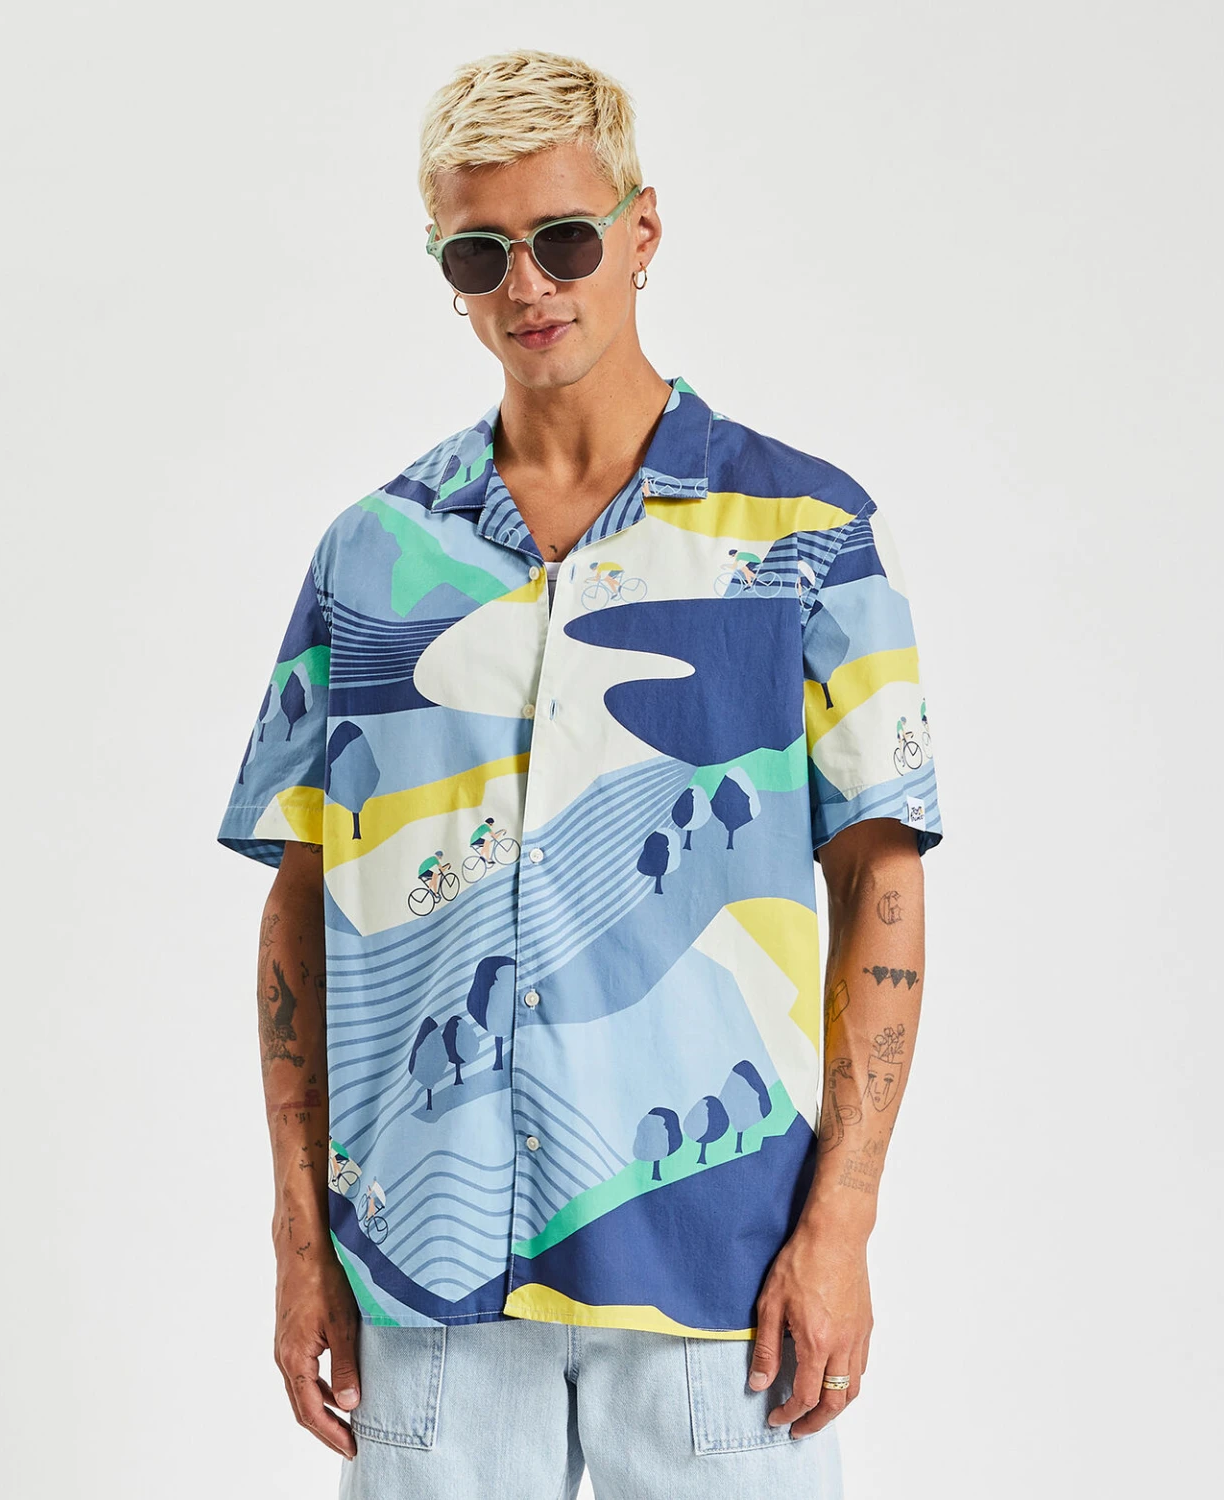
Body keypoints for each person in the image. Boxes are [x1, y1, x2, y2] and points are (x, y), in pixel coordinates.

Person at [216, 46, 945, 1500]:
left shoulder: (806, 533)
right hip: (427, 1280)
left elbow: (882, 881)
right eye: (479, 254)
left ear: (642, 229)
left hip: (719, 1271)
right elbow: (302, 899)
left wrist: (844, 1223)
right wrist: (301, 1238)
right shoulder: (373, 555)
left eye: (563, 239)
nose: (528, 287)